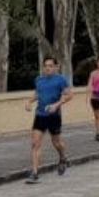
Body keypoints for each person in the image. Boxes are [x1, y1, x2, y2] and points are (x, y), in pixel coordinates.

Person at [25, 55, 72, 184]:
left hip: (54, 116)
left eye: (50, 66)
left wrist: (56, 105)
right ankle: (35, 173)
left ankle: (63, 157)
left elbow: (69, 95)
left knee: (56, 142)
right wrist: (29, 101)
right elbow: (38, 93)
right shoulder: (38, 79)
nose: (48, 68)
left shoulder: (61, 79)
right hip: (40, 115)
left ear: (56, 67)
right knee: (35, 143)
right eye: (46, 66)